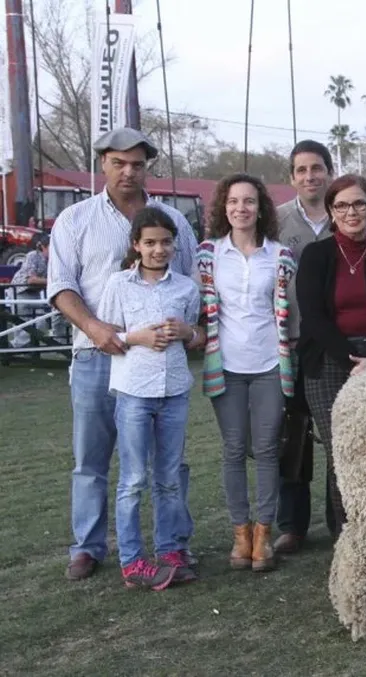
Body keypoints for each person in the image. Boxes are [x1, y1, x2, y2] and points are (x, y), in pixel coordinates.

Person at [47, 127, 198, 582]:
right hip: (96, 356)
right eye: (118, 163)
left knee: (167, 462)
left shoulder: (174, 220)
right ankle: (88, 546)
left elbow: (190, 285)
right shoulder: (75, 219)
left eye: (136, 163)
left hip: (157, 365)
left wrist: (189, 333)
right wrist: (95, 328)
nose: (128, 171)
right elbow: (61, 286)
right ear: (103, 164)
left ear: (147, 165)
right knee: (91, 459)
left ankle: (174, 544)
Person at [295, 174, 366, 541]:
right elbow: (313, 317)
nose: (351, 211)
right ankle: (345, 533)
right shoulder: (317, 255)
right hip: (329, 364)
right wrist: (350, 360)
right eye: (342, 205)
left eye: (359, 203)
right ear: (331, 211)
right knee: (341, 452)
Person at [96, 208, 204, 589]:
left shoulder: (186, 289)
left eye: (166, 242)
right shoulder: (118, 286)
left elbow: (196, 338)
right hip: (134, 392)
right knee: (133, 478)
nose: (159, 250)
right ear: (136, 246)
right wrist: (135, 337)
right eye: (151, 242)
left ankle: (170, 548)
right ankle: (131, 560)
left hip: (174, 390)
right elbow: (107, 337)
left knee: (170, 476)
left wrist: (188, 332)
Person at [198, 173, 297, 573]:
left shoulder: (280, 256)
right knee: (234, 450)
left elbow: (289, 312)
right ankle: (240, 534)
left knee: (269, 450)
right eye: (234, 201)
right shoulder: (208, 255)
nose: (241, 208)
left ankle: (263, 534)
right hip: (226, 367)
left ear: (261, 208)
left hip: (269, 365)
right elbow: (201, 308)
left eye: (249, 201)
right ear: (224, 207)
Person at [274, 140, 335, 555]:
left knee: (339, 437)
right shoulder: (276, 221)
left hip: (334, 345)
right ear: (292, 177)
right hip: (287, 343)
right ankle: (293, 526)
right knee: (290, 436)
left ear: (329, 171)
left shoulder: (348, 212)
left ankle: (341, 522)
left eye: (317, 167)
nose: (310, 176)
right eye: (302, 169)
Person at [7, 233, 50, 348]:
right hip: (20, 292)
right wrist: (52, 281)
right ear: (43, 247)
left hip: (34, 294)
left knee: (41, 323)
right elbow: (31, 280)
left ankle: (16, 348)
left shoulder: (51, 261)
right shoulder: (33, 256)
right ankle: (14, 349)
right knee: (22, 327)